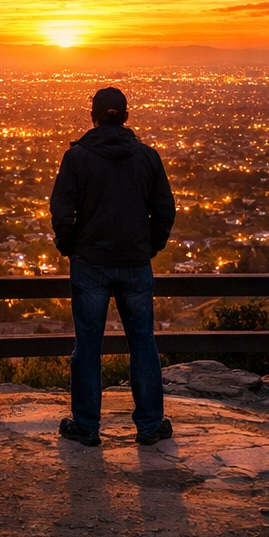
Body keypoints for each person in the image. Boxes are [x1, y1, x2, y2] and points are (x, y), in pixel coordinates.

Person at [49, 86, 177, 447]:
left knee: (87, 345)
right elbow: (165, 210)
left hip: (90, 264)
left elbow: (62, 210)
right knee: (143, 343)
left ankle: (87, 426)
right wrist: (148, 247)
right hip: (135, 264)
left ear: (93, 115)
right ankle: (150, 425)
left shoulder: (77, 158)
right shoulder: (148, 157)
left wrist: (71, 247)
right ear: (125, 116)